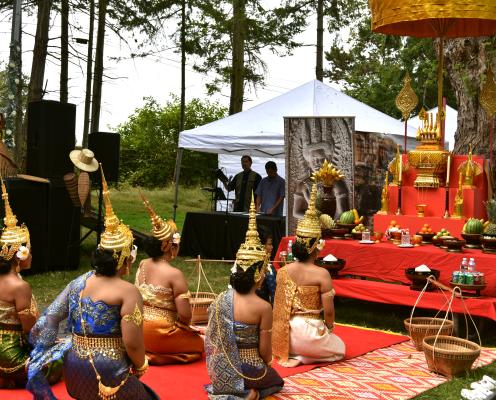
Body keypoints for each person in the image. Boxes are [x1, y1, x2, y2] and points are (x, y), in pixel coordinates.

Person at [27, 166, 157, 400]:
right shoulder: (128, 292)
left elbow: (51, 317)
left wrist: (46, 347)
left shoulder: (78, 282)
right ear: (124, 258)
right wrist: (141, 365)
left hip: (74, 368)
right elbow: (133, 343)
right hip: (108, 370)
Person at [205, 196, 283, 399]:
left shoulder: (221, 298)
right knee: (276, 382)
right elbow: (265, 353)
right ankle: (248, 393)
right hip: (249, 368)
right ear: (258, 274)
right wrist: (265, 365)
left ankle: (234, 390)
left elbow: (213, 340)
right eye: (264, 270)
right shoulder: (263, 307)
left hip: (222, 368)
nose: (265, 274)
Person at [272, 183, 345, 367]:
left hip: (287, 336)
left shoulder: (283, 271)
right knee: (340, 349)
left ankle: (296, 355)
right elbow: (328, 312)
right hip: (311, 333)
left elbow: (279, 311)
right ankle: (307, 357)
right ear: (316, 247)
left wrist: (278, 341)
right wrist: (329, 331)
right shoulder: (322, 274)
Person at [0, 179, 62, 389]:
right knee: (61, 359)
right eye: (29, 249)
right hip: (10, 355)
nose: (31, 255)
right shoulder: (19, 286)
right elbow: (30, 331)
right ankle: (12, 376)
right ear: (20, 254)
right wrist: (52, 343)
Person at [136, 192, 204, 365]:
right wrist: (185, 330)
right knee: (202, 345)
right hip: (161, 332)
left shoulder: (143, 263)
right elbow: (185, 315)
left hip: (137, 329)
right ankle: (157, 355)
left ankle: (148, 352)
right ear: (168, 246)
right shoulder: (174, 274)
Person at [293, 142, 350, 219]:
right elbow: (296, 212)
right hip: (313, 225)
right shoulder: (303, 185)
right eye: (313, 159)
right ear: (308, 163)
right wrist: (316, 220)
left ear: (328, 161)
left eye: (321, 159)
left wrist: (330, 225)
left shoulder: (336, 183)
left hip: (333, 225)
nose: (317, 163)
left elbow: (342, 212)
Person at [256, 233, 277, 306]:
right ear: (261, 246)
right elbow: (274, 293)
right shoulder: (269, 268)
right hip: (263, 308)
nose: (272, 247)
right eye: (269, 244)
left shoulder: (242, 263)